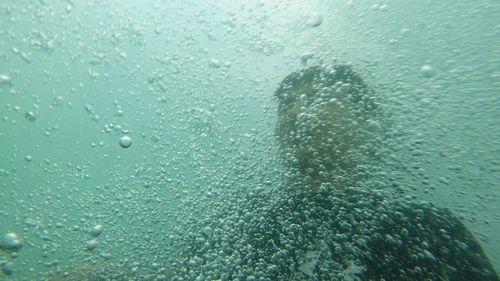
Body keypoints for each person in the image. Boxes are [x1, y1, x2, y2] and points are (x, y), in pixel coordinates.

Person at [172, 65, 499, 280]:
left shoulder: (426, 231)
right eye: (286, 103)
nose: (296, 110)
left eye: (314, 97)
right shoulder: (234, 226)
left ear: (367, 126)